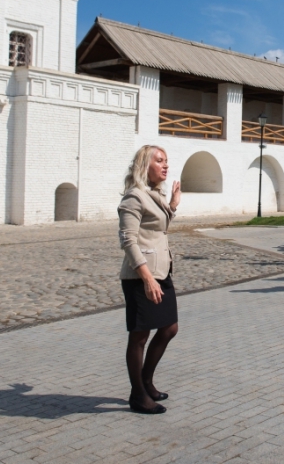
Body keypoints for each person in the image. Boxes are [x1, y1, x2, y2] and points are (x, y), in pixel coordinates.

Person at [118, 145, 182, 415]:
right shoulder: (134, 196)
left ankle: (145, 381)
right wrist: (146, 278)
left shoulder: (154, 194)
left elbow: (157, 228)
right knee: (140, 336)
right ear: (145, 165)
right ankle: (137, 395)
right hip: (141, 275)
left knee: (169, 328)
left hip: (161, 272)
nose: (165, 166)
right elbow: (128, 240)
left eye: (166, 161)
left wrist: (172, 207)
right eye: (159, 161)